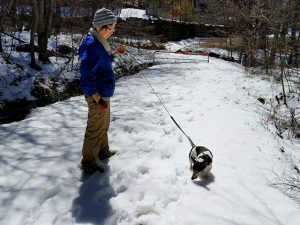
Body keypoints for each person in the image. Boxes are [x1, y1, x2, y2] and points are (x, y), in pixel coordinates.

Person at [78, 8, 126, 174]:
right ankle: (89, 162)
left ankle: (103, 151)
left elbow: (103, 62)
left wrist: (114, 54)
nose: (112, 32)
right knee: (95, 128)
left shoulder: (99, 42)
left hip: (103, 92)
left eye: (114, 28)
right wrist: (95, 95)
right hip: (97, 94)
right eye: (111, 28)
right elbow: (86, 74)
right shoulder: (91, 45)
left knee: (104, 124)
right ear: (100, 27)